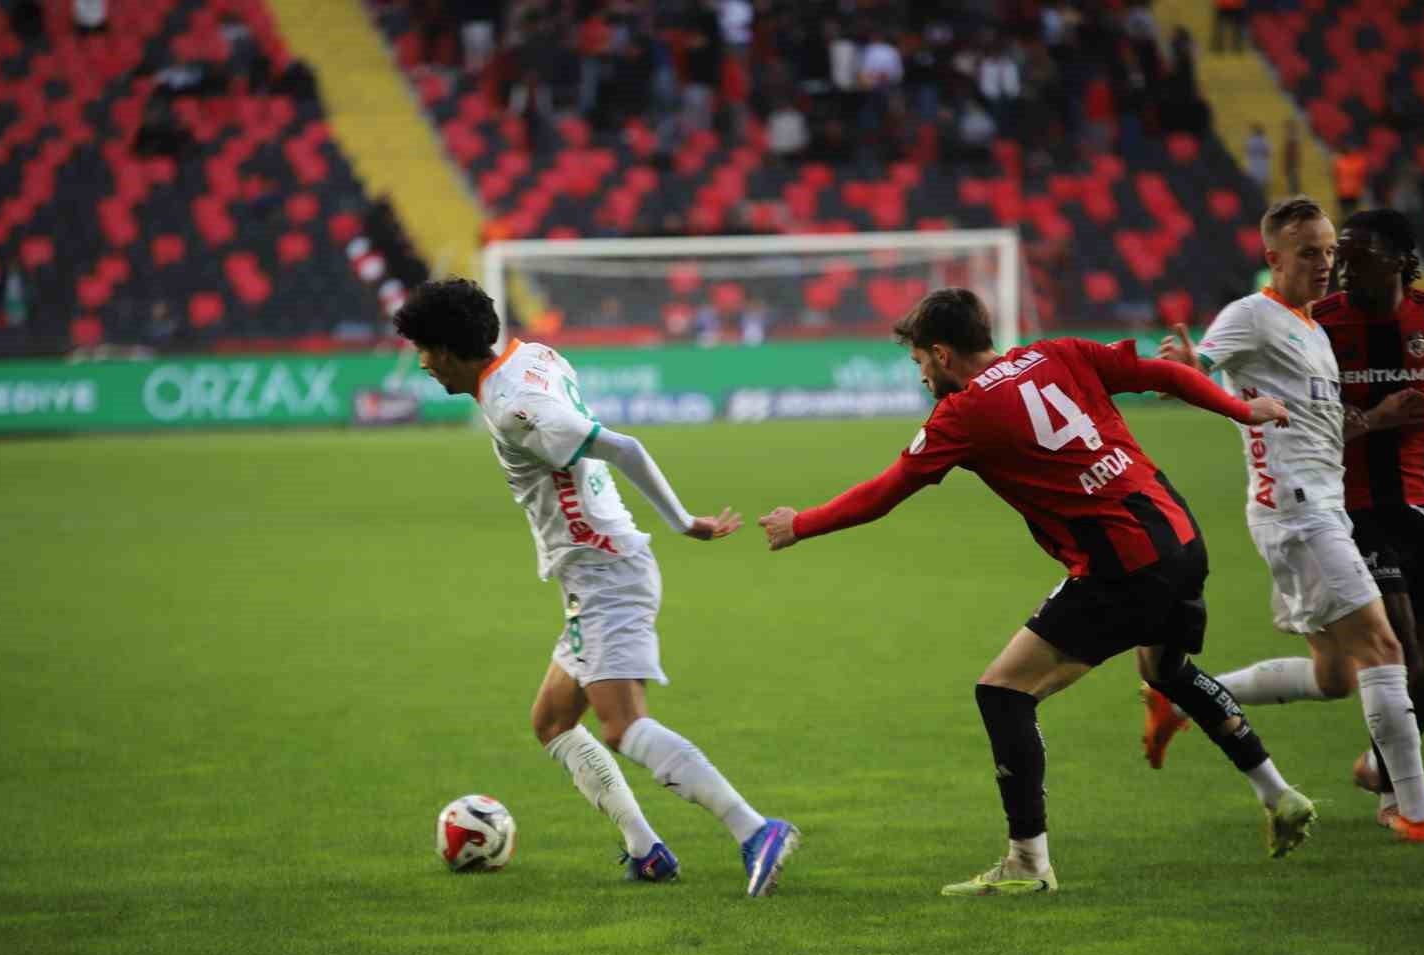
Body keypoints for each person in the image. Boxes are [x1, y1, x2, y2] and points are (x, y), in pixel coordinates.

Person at [759, 287, 1310, 898]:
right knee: (1166, 669)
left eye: (919, 362)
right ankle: (1278, 794)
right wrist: (1241, 411)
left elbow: (884, 492)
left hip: (1120, 565)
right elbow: (1162, 373)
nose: (920, 376)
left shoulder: (961, 413)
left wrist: (800, 523)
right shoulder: (1058, 352)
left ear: (942, 354)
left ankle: (1028, 861)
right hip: (1180, 536)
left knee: (1003, 691)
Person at [392, 278, 799, 896]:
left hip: (606, 572)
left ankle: (755, 830)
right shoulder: (533, 356)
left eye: (423, 348)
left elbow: (624, 447)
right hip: (589, 576)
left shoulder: (513, 408)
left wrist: (683, 521)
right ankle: (646, 850)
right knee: (554, 721)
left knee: (623, 728)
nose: (420, 362)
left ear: (448, 348)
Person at [1140, 197, 1424, 843]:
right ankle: (1415, 812)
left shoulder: (1309, 327)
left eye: (1329, 250)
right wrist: (1189, 369)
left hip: (1317, 507)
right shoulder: (1253, 316)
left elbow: (1320, 425)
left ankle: (1184, 695)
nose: (1326, 263)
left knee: (1336, 676)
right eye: (1310, 251)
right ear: (1272, 258)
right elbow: (1201, 365)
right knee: (1387, 646)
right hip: (1300, 513)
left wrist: (1377, 418)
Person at [1319, 210, 1424, 825]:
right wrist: (1374, 419)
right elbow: (1301, 424)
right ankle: (1408, 804)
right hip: (1352, 512)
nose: (1343, 268)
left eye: (1358, 256)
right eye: (1340, 256)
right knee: (1401, 652)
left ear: (1399, 260)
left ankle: (1381, 765)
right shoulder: (1318, 325)